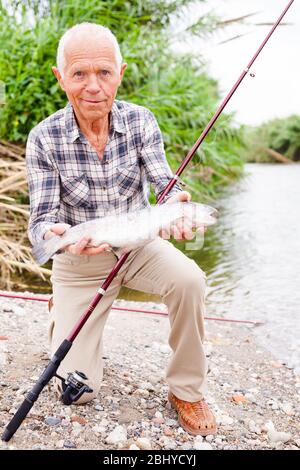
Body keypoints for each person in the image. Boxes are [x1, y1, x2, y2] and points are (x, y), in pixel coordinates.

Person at [26, 22, 217, 436]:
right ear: (61, 79)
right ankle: (60, 312)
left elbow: (166, 184)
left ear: (121, 73)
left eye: (104, 73)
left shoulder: (141, 120)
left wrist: (177, 205)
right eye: (79, 74)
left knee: (190, 279)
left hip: (140, 246)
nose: (93, 86)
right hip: (82, 260)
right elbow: (40, 223)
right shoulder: (43, 138)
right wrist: (56, 238)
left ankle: (186, 389)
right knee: (80, 392)